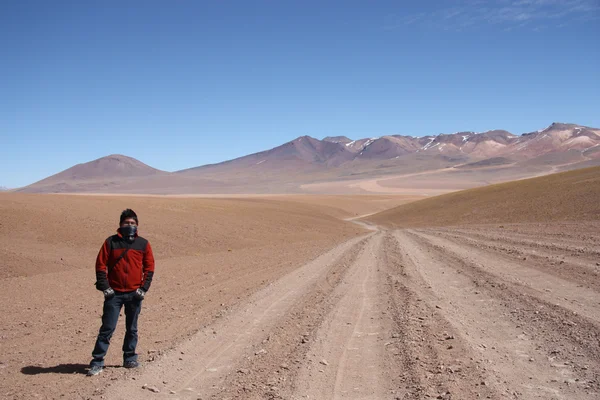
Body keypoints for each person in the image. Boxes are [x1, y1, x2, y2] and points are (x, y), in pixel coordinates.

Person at [87, 208, 155, 376]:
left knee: (132, 328)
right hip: (114, 294)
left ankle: (130, 358)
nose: (129, 225)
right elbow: (100, 265)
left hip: (134, 293)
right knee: (107, 328)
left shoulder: (143, 244)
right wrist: (106, 287)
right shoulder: (111, 242)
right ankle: (97, 361)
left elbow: (149, 267)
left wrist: (143, 288)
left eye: (132, 223)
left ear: (137, 225)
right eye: (126, 223)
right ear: (120, 225)